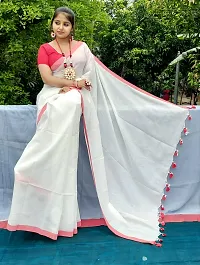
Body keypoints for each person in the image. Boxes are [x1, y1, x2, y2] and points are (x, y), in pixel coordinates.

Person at [3, 7, 189, 246]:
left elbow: (91, 73)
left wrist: (79, 85)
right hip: (52, 95)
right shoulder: (44, 49)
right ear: (52, 26)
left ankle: (59, 219)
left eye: (66, 24)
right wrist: (72, 83)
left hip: (74, 96)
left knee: (69, 132)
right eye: (57, 23)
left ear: (72, 28)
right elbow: (47, 79)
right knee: (65, 109)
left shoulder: (82, 49)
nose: (61, 27)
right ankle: (35, 169)